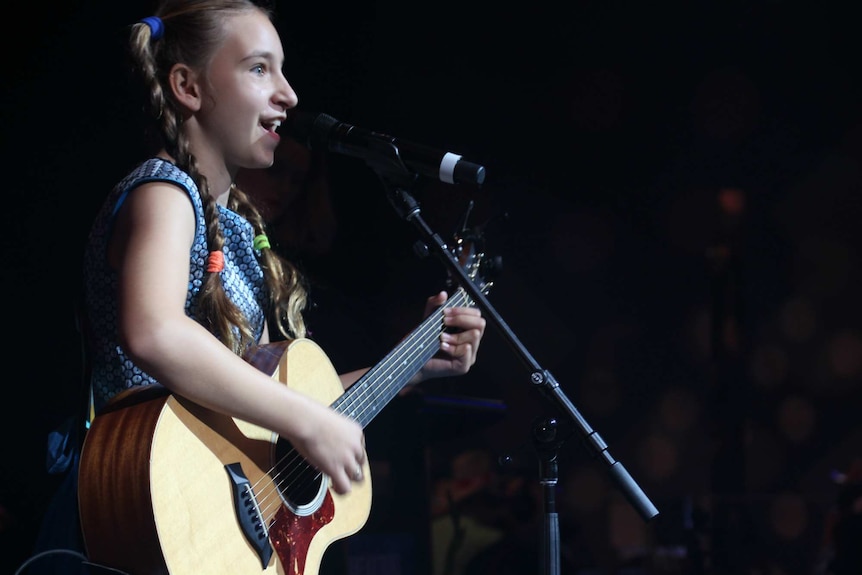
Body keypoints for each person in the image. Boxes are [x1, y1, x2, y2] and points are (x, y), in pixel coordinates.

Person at [23, 1, 486, 574]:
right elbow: (154, 331)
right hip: (143, 508)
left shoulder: (240, 232)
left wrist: (416, 365)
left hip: (213, 532)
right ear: (188, 87)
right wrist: (308, 421)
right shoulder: (163, 193)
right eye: (260, 68)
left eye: (283, 70)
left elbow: (266, 408)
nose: (288, 94)